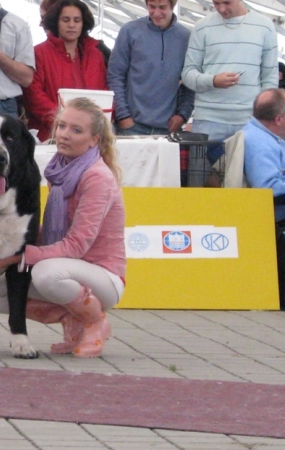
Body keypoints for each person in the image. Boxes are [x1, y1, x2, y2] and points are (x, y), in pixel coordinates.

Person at [0, 97, 126, 358]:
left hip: (104, 276)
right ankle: (71, 317)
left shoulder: (97, 177)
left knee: (45, 274)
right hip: (68, 269)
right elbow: (46, 229)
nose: (64, 135)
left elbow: (77, 244)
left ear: (95, 140)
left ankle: (95, 321)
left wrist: (18, 256)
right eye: (61, 126)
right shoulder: (59, 170)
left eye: (76, 130)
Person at [181, 0, 278, 145]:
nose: (221, 8)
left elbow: (270, 77)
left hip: (250, 120)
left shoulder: (265, 26)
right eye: (216, 3)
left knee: (250, 168)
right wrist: (212, 81)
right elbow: (187, 74)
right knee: (202, 167)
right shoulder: (202, 27)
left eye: (227, 2)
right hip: (208, 119)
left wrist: (263, 115)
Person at [22, 0, 108, 142]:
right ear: (56, 22)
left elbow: (103, 92)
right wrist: (63, 122)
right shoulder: (39, 53)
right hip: (49, 135)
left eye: (77, 20)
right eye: (66, 20)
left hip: (87, 137)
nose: (71, 25)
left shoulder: (95, 55)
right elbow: (34, 96)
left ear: (83, 23)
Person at [107, 0, 194, 136]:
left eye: (162, 8)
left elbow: (190, 80)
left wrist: (183, 115)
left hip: (168, 129)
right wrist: (123, 116)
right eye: (151, 7)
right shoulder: (130, 31)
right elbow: (115, 75)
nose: (156, 13)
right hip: (131, 127)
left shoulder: (185, 37)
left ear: (173, 5)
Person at [243, 88, 285, 310]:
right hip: (275, 215)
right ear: (279, 119)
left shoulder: (270, 136)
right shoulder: (260, 144)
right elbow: (267, 188)